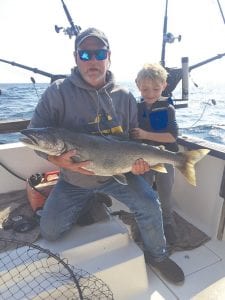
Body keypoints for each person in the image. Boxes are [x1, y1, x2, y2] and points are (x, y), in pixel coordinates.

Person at [28, 28, 184, 284]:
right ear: (76, 57)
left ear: (108, 57)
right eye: (85, 53)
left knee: (148, 202)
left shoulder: (123, 97)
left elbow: (130, 143)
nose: (92, 60)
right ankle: (88, 202)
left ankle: (157, 254)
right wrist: (59, 162)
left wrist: (138, 165)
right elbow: (37, 139)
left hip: (116, 173)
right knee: (51, 231)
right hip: (73, 180)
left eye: (99, 53)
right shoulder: (57, 92)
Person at [131, 63, 179, 245]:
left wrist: (145, 135)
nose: (150, 93)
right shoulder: (134, 108)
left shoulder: (168, 109)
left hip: (165, 159)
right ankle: (140, 223)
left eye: (156, 89)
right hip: (142, 161)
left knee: (165, 194)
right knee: (143, 194)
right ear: (137, 85)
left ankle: (168, 222)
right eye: (145, 89)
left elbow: (171, 136)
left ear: (164, 86)